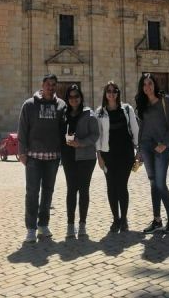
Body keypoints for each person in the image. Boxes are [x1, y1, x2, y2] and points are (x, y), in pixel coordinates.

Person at [18, 74, 66, 243]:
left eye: (54, 85)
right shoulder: (29, 105)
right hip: (34, 157)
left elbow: (64, 129)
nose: (51, 87)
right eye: (48, 84)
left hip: (53, 157)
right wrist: (21, 152)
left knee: (48, 192)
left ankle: (43, 225)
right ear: (42, 85)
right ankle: (31, 228)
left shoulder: (61, 105)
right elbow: (22, 129)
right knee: (32, 192)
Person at [135, 73, 169, 235]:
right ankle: (157, 220)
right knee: (153, 183)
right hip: (146, 146)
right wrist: (139, 149)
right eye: (144, 84)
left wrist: (164, 143)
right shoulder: (143, 103)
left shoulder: (165, 100)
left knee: (160, 183)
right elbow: (141, 128)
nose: (147, 87)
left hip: (161, 147)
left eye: (150, 83)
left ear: (155, 84)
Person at [95, 81, 140, 233]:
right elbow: (98, 136)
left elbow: (135, 130)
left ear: (118, 92)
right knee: (111, 187)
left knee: (121, 186)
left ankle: (124, 218)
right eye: (109, 91)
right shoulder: (100, 112)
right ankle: (116, 219)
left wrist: (138, 151)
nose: (111, 93)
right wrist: (99, 156)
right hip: (108, 155)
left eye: (114, 91)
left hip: (126, 154)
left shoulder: (127, 109)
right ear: (105, 93)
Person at [61, 84, 99, 238]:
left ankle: (82, 224)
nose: (74, 99)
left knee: (84, 190)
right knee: (71, 189)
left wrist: (80, 143)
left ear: (81, 97)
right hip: (69, 156)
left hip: (86, 158)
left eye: (76, 96)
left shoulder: (89, 114)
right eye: (70, 97)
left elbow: (95, 135)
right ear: (67, 99)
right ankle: (70, 225)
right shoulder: (63, 114)